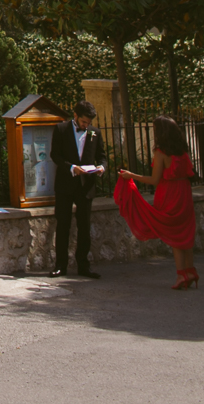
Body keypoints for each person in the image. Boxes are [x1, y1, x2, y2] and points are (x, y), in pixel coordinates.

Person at [115, 115, 198, 289]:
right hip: (184, 192)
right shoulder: (183, 150)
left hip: (170, 193)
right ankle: (190, 271)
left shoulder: (161, 152)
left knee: (174, 233)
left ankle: (181, 275)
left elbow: (154, 180)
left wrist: (131, 176)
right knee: (186, 232)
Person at [50, 100, 106, 278]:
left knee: (84, 227)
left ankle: (83, 265)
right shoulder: (61, 130)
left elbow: (102, 157)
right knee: (63, 225)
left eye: (88, 123)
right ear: (75, 115)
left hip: (85, 186)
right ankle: (60, 265)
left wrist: (102, 168)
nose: (86, 125)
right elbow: (55, 155)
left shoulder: (95, 133)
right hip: (66, 185)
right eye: (83, 122)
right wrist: (71, 168)